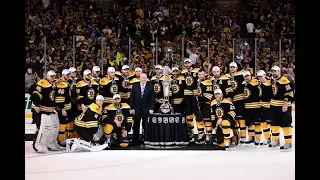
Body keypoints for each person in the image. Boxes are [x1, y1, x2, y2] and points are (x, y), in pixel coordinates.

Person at [31, 70, 60, 153]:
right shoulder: (42, 83)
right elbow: (35, 94)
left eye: (54, 76)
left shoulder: (53, 84)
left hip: (50, 109)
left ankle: (50, 143)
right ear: (47, 76)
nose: (53, 78)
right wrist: (36, 105)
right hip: (42, 110)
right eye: (51, 76)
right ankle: (38, 144)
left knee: (54, 127)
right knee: (43, 128)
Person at [269, 66, 294, 151]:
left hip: (283, 106)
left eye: (275, 71)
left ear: (279, 72)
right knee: (274, 125)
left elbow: (290, 93)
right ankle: (275, 141)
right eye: (272, 71)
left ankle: (288, 142)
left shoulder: (285, 81)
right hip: (274, 106)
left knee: (285, 124)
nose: (274, 73)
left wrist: (286, 104)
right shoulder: (272, 80)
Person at [129, 73, 155, 145]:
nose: (143, 79)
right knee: (136, 124)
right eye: (142, 78)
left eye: (145, 78)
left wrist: (151, 108)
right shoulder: (135, 85)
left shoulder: (150, 86)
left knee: (146, 124)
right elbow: (132, 98)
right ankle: (135, 139)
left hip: (146, 108)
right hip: (137, 108)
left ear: (146, 78)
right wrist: (132, 108)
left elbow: (152, 98)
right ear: (139, 78)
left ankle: (146, 138)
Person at [224, 62, 245, 145]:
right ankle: (235, 136)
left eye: (234, 67)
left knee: (242, 119)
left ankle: (243, 136)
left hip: (240, 100)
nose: (232, 69)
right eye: (231, 67)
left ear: (237, 68)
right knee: (234, 119)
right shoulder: (225, 77)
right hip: (230, 102)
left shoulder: (242, 75)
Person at [181, 58, 200, 142]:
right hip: (187, 98)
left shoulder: (197, 71)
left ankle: (201, 134)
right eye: (186, 63)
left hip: (195, 96)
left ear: (191, 63)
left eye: (189, 62)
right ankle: (191, 133)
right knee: (188, 116)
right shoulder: (182, 73)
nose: (187, 64)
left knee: (198, 116)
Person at [242, 71, 261, 146]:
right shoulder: (243, 84)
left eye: (248, 76)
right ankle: (251, 137)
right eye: (245, 76)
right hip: (247, 106)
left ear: (251, 76)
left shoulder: (256, 82)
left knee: (257, 123)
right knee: (249, 124)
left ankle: (258, 138)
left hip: (256, 106)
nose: (247, 77)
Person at [195, 69, 214, 144]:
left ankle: (208, 136)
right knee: (199, 120)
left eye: (202, 74)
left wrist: (201, 97)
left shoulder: (208, 82)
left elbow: (209, 95)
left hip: (206, 104)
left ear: (205, 74)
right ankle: (201, 135)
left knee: (207, 120)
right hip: (197, 104)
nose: (200, 76)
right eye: (199, 74)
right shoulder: (195, 82)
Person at [55, 69, 72, 147]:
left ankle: (63, 139)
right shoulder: (61, 83)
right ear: (63, 74)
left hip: (67, 107)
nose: (69, 76)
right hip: (63, 109)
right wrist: (62, 108)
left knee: (65, 124)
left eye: (69, 74)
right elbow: (59, 98)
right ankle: (61, 140)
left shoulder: (65, 82)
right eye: (67, 75)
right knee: (62, 125)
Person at [256, 70, 272, 146]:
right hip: (262, 106)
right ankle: (267, 137)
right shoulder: (259, 83)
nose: (259, 78)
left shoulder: (270, 83)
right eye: (258, 76)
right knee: (263, 122)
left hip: (269, 106)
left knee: (271, 123)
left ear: (264, 75)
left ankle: (275, 138)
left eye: (261, 76)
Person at [67, 67, 80, 138]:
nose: (74, 73)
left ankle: (76, 137)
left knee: (77, 121)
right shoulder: (67, 81)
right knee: (70, 121)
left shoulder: (78, 81)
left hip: (77, 103)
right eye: (73, 72)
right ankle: (70, 137)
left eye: (75, 72)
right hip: (69, 103)